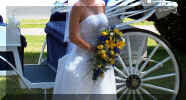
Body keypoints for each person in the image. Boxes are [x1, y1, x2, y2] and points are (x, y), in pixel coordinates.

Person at [53, 0, 117, 100]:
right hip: (83, 54)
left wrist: (109, 43)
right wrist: (93, 49)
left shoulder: (101, 4)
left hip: (102, 57)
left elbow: (104, 29)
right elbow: (73, 37)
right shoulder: (77, 7)